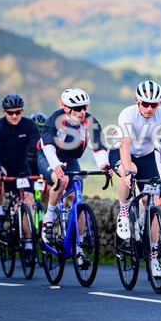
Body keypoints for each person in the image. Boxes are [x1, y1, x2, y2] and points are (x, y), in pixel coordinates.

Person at [113, 80, 161, 279]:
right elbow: (124, 146)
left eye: (154, 104)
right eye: (145, 103)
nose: (150, 108)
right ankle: (123, 213)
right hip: (122, 153)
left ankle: (153, 257)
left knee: (154, 203)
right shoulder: (128, 114)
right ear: (137, 101)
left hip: (147, 156)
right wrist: (127, 173)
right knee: (130, 171)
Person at [38, 88, 111, 270]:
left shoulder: (89, 121)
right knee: (61, 181)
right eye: (77, 108)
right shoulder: (55, 120)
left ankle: (79, 250)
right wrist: (56, 165)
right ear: (65, 107)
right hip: (48, 156)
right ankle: (48, 219)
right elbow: (48, 146)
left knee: (77, 202)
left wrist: (104, 164)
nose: (82, 112)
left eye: (84, 107)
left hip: (71, 160)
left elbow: (98, 146)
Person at [0, 94, 41, 265]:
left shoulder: (29, 125)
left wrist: (45, 170)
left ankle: (28, 245)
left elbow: (38, 149)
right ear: (5, 112)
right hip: (0, 163)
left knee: (28, 201)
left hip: (21, 167)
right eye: (10, 113)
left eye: (18, 112)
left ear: (22, 111)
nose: (14, 116)